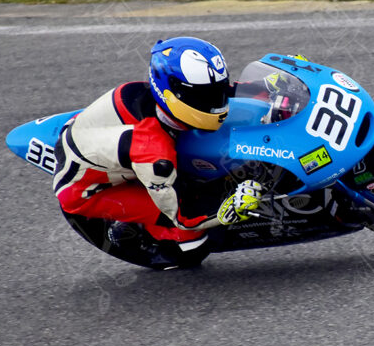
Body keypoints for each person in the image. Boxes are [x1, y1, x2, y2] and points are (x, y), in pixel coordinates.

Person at [52, 37, 262, 267]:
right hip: (88, 191)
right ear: (174, 95)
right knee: (191, 249)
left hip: (99, 141)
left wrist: (263, 88)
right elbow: (183, 215)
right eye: (206, 97)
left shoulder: (162, 96)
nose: (217, 102)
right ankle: (132, 230)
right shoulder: (155, 155)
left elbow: (224, 90)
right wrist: (229, 207)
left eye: (217, 92)